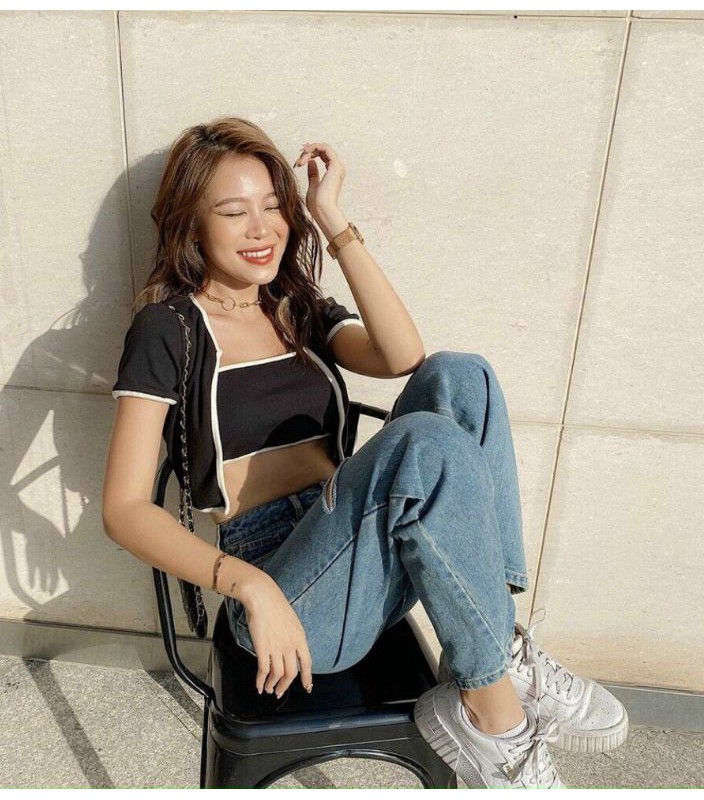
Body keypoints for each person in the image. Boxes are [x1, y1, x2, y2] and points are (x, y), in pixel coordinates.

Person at [102, 117, 628, 789]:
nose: (261, 229)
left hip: (363, 548)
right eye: (234, 212)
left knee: (463, 375)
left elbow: (403, 356)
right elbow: (123, 509)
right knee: (425, 443)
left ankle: (495, 654)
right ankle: (494, 715)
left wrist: (331, 218)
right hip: (286, 595)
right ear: (192, 226)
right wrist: (250, 585)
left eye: (274, 207)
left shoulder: (294, 306)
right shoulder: (168, 329)